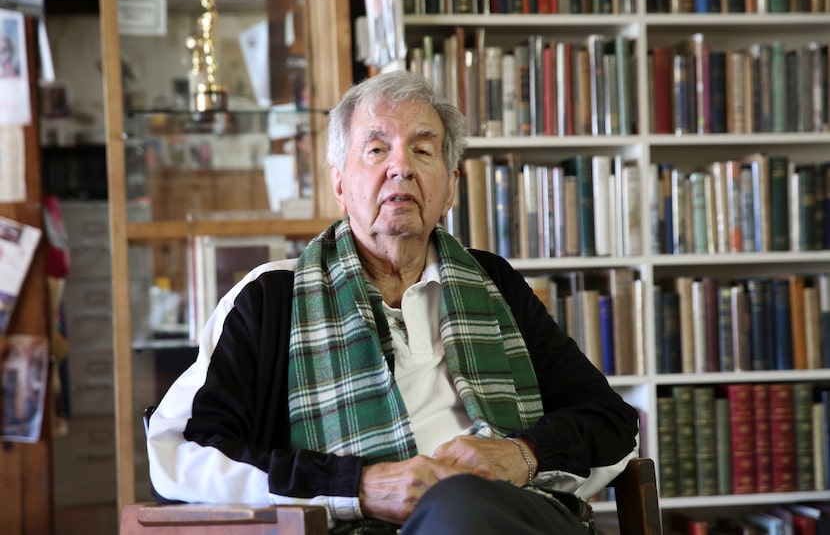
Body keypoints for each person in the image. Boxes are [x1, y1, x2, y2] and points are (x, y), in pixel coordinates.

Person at [146, 70, 640, 534]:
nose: (400, 166)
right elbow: (179, 454)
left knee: (462, 506)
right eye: (377, 149)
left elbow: (612, 425)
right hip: (352, 523)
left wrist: (522, 455)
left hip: (510, 514)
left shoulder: (495, 284)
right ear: (339, 182)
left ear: (449, 188)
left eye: (423, 151)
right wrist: (356, 487)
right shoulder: (269, 299)